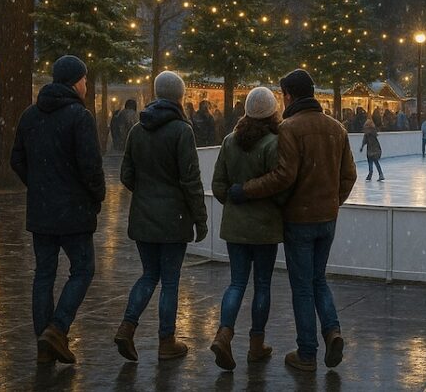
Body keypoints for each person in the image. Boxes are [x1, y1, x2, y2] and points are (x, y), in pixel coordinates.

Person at [232, 69, 357, 371]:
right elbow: (349, 175)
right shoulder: (337, 128)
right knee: (318, 280)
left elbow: (283, 176)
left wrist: (246, 190)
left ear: (288, 95)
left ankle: (307, 353)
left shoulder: (289, 128)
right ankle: (332, 330)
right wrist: (331, 202)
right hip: (327, 220)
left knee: (302, 286)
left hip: (299, 220)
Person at [11, 55, 105, 365]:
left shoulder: (30, 115)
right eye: (85, 80)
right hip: (74, 210)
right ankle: (57, 328)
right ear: (77, 81)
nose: (87, 86)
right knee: (83, 269)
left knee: (44, 274)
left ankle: (44, 342)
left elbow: (17, 159)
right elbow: (90, 166)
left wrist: (38, 186)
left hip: (42, 212)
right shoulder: (79, 116)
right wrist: (96, 196)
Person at [114, 71, 207, 362]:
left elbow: (126, 174)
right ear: (180, 96)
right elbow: (190, 180)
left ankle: (127, 327)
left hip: (143, 217)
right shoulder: (182, 131)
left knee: (148, 275)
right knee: (169, 281)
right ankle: (166, 341)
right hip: (173, 219)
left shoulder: (137, 130)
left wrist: (146, 193)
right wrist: (200, 218)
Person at [209, 87, 284, 370]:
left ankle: (224, 333)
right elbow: (278, 187)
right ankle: (256, 345)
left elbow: (218, 184)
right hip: (264, 228)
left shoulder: (230, 141)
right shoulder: (273, 143)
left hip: (236, 228)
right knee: (262, 285)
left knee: (237, 282)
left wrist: (233, 205)